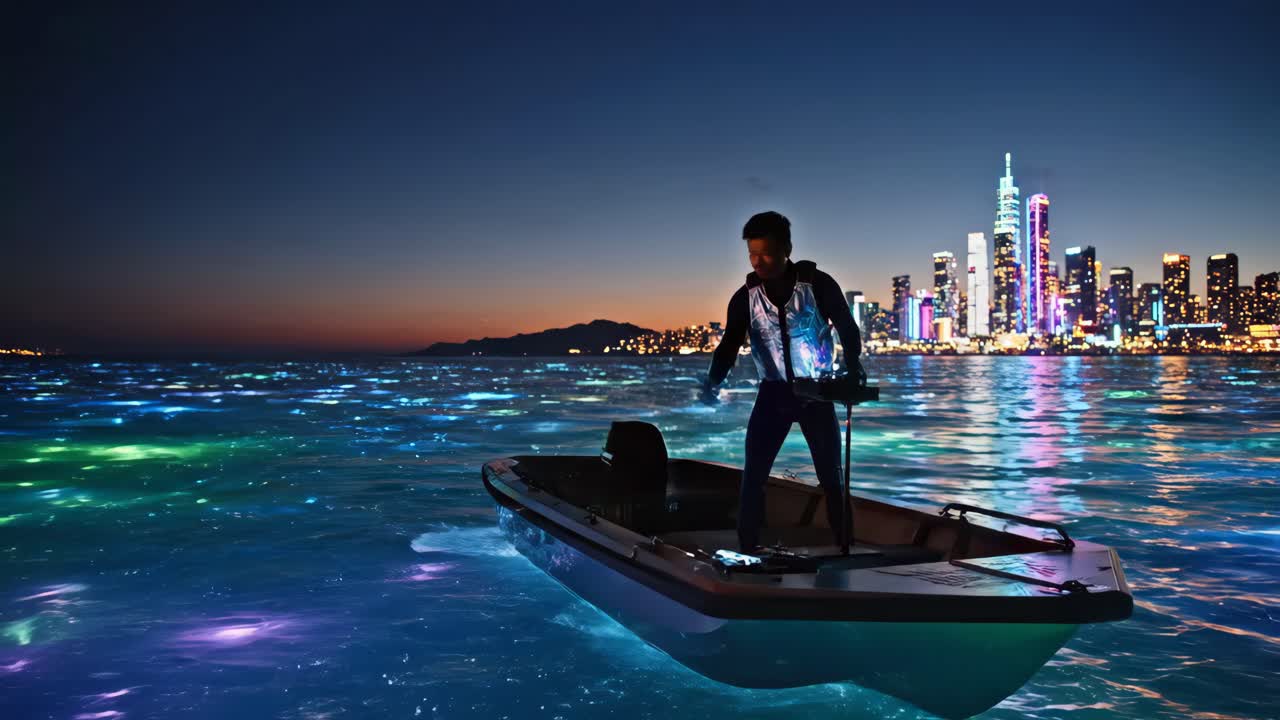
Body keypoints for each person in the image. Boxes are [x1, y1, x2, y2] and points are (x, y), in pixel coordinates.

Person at [698, 211, 862, 552]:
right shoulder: (745, 297)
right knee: (753, 475)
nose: (758, 261)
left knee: (832, 478)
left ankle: (845, 548)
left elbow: (847, 326)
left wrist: (853, 363)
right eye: (752, 254)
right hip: (772, 395)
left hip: (816, 393)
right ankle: (747, 551)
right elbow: (729, 345)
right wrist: (713, 383)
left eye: (767, 253)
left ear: (787, 248)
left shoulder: (818, 284)